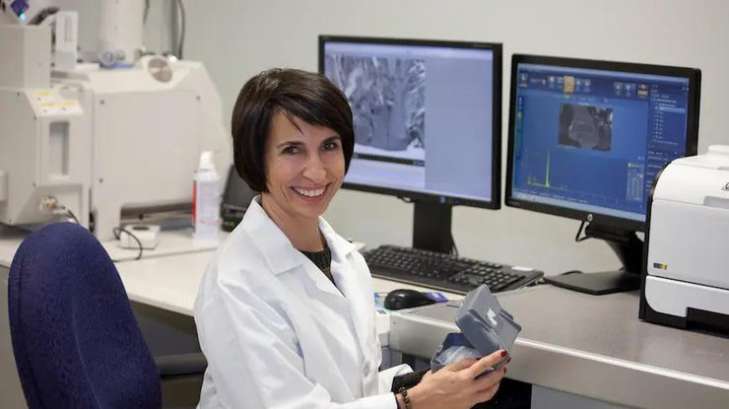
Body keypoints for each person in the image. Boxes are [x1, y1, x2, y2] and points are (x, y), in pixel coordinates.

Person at [194, 68, 509, 409]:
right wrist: (412, 402)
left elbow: (354, 389)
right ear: (256, 159)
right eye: (292, 150)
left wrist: (430, 384)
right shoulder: (236, 283)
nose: (317, 171)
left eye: (329, 146)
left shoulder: (345, 259)